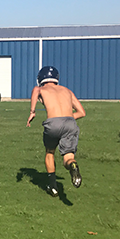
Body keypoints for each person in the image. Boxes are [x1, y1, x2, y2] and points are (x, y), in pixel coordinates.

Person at [26, 66, 85, 197]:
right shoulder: (67, 91)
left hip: (53, 123)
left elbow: (36, 90)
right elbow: (82, 112)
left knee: (50, 152)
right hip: (70, 123)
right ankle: (73, 165)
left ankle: (53, 187)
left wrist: (32, 111)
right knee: (68, 158)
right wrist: (67, 117)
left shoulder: (41, 88)